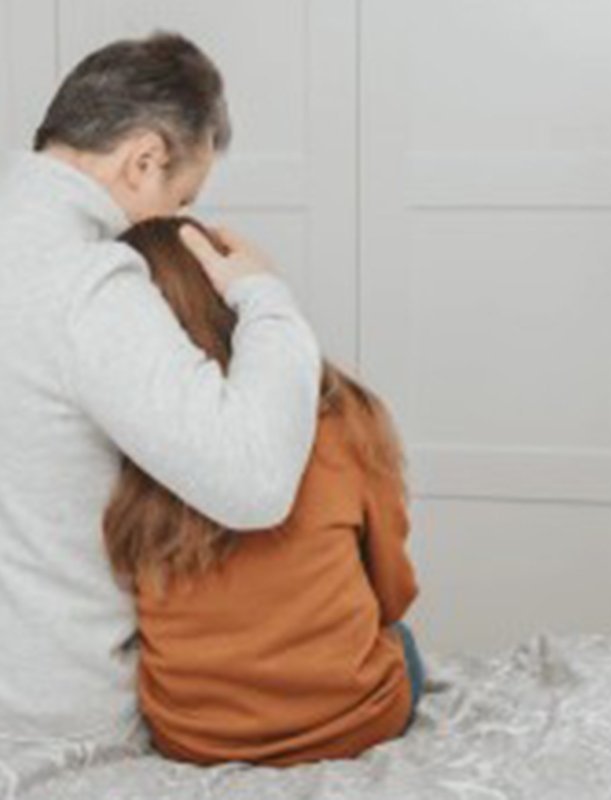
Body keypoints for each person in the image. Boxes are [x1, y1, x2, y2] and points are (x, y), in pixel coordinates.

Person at [0, 31, 323, 756]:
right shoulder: (87, 285)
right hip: (28, 718)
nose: (173, 224)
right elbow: (256, 480)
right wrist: (264, 295)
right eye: (180, 199)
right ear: (144, 159)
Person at [105, 216, 424, 767]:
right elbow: (392, 592)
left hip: (194, 737)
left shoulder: (127, 447)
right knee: (403, 640)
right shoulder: (341, 416)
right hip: (357, 721)